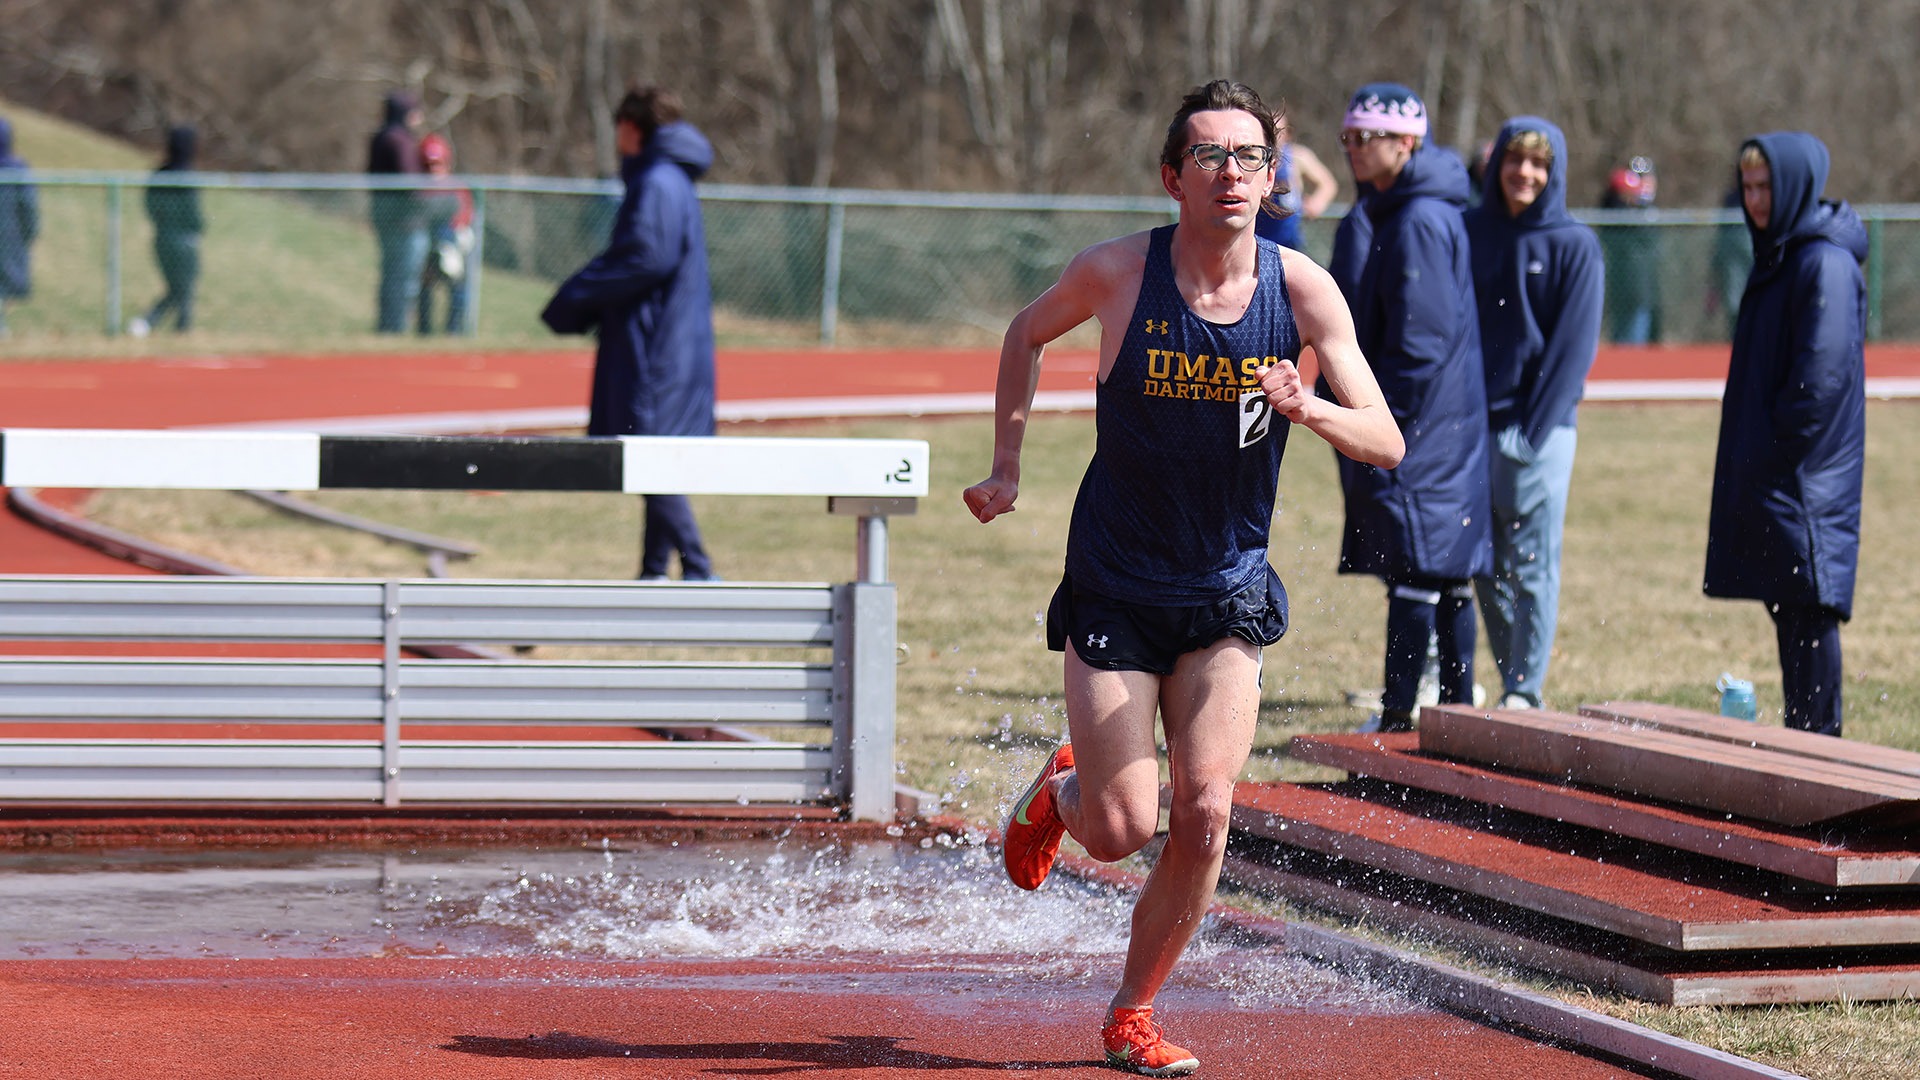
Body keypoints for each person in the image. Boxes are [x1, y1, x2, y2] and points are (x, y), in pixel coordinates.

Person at [965, 80, 1402, 1076]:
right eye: (1209, 156)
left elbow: (1387, 438)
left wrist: (1312, 409)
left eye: (1249, 156)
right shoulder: (1119, 274)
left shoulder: (1303, 292)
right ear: (1173, 177)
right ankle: (1065, 793)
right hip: (1117, 585)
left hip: (1225, 590)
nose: (1231, 173)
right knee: (1121, 831)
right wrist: (1007, 465)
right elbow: (1025, 335)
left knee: (1206, 813)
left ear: (1273, 175)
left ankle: (1132, 1013)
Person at [1330, 82, 1491, 733]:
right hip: (1438, 422)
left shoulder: (1419, 217)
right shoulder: (1405, 207)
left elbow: (1418, 346)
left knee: (1418, 570)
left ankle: (1401, 719)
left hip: (1423, 427)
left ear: (1407, 142)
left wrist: (1378, 418)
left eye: (1365, 138)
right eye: (1348, 138)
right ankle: (1456, 713)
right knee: (1442, 572)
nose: (1354, 151)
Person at [1704, 132, 1866, 737]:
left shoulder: (1822, 261)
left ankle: (1822, 748)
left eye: (1767, 186)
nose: (1755, 200)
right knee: (1789, 609)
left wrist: (1775, 449)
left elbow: (1819, 382)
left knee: (1810, 610)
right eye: (1747, 187)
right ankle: (1805, 741)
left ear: (1796, 184)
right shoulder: (1782, 254)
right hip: (1783, 474)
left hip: (1805, 476)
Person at [542, 85, 718, 581]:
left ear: (631, 128)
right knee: (654, 456)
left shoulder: (658, 181)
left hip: (656, 349)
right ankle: (654, 572)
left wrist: (576, 296)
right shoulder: (670, 178)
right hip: (665, 343)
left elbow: (647, 256)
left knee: (648, 456)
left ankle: (700, 569)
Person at [1464, 117, 1604, 710]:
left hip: (1538, 432)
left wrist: (1533, 430)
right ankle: (1513, 677)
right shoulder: (1469, 231)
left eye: (1539, 165)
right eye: (1515, 161)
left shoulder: (1576, 245)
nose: (1526, 174)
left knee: (1532, 564)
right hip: (1471, 430)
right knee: (1482, 564)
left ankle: (1525, 689)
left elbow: (1573, 350)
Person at [130, 125, 205, 337]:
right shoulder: (184, 175)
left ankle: (157, 324)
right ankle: (178, 327)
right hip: (182, 238)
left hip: (163, 236)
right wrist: (196, 227)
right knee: (183, 287)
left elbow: (149, 204)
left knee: (179, 287)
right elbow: (193, 212)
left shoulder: (160, 174)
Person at [367, 91, 427, 334]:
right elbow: (409, 181)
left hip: (393, 218)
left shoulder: (383, 136)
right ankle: (395, 327)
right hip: (404, 221)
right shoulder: (397, 139)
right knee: (403, 277)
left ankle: (389, 326)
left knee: (393, 274)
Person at [415, 134, 474, 335]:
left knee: (459, 288)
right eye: (428, 165)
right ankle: (424, 333)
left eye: (437, 164)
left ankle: (454, 332)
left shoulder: (456, 186)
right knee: (424, 290)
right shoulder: (418, 188)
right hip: (427, 245)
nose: (433, 170)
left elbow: (466, 214)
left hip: (451, 242)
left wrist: (454, 237)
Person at [1600, 155, 1661, 343]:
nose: (1643, 183)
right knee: (1627, 341)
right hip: (1626, 288)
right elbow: (1608, 211)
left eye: (1646, 177)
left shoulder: (1649, 212)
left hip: (1647, 290)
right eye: (1638, 178)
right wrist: (1621, 192)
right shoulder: (1619, 208)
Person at [1253, 134, 1338, 254]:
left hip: (1288, 239)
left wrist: (1317, 203)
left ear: (1288, 133)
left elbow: (1327, 183)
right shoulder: (1253, 157)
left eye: (1278, 131)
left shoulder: (1297, 156)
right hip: (1257, 235)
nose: (1274, 135)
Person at [0, 115, 39, 338]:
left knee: (5, 282)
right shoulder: (16, 170)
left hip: (9, 234)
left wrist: (30, 231)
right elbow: (28, 206)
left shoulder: (16, 170)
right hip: (10, 235)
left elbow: (28, 206)